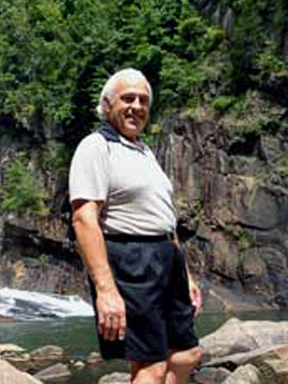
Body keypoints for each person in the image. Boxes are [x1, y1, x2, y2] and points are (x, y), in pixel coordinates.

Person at [69, 68, 202, 383]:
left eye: (143, 100)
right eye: (127, 98)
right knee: (150, 366)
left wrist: (186, 276)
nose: (137, 106)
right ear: (108, 104)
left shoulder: (145, 152)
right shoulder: (95, 147)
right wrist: (106, 290)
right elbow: (84, 219)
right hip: (130, 261)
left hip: (167, 258)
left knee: (187, 354)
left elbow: (164, 220)